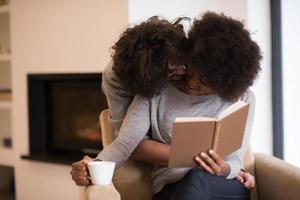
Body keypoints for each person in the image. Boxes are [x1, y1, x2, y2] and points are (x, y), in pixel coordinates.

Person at [70, 13, 258, 193]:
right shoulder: (152, 89)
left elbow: (235, 158)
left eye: (204, 81)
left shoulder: (242, 98)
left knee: (197, 179)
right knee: (193, 181)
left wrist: (226, 169)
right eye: (190, 73)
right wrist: (92, 166)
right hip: (173, 187)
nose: (192, 83)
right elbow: (125, 144)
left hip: (222, 187)